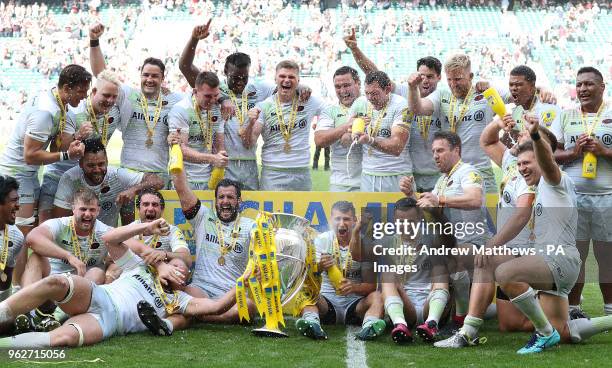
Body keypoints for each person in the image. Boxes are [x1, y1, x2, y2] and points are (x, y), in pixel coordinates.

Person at [0, 218, 235, 347]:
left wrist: (244, 282)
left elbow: (217, 307)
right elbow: (109, 238)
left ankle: (6, 345)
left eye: (182, 272)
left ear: (184, 281)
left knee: (64, 338)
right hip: (101, 296)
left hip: (110, 322)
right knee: (57, 282)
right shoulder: (140, 267)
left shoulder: (181, 301)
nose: (178, 271)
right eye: (174, 266)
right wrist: (145, 227)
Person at [401, 131, 489, 342]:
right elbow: (431, 210)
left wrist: (439, 200)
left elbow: (475, 199)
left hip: (474, 243)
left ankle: (460, 319)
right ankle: (432, 317)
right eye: (433, 152)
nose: (435, 156)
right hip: (452, 243)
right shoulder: (442, 180)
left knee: (451, 256)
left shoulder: (469, 172)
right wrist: (412, 195)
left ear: (456, 150)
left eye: (440, 150)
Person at [163, 150, 256, 327]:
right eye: (221, 197)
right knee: (180, 291)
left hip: (231, 294)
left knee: (249, 308)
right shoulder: (203, 217)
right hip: (201, 290)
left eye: (230, 197)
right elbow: (181, 188)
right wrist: (175, 148)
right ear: (215, 201)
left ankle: (197, 315)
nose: (225, 201)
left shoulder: (250, 226)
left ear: (239, 201)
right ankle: (209, 313)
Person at [178, 21, 275, 190]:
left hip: (249, 164)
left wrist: (303, 89)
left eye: (244, 77)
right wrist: (194, 39)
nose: (240, 82)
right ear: (225, 72)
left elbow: (285, 86)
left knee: (249, 213)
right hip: (224, 163)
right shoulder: (214, 87)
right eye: (235, 77)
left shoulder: (258, 88)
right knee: (223, 211)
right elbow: (185, 66)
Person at [344, 29, 442, 192]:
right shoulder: (405, 93)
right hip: (410, 170)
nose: (424, 80)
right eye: (421, 75)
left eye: (430, 76)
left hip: (436, 171)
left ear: (439, 77)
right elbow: (374, 74)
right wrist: (355, 49)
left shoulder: (444, 97)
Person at [89, 23, 183, 188]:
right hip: (129, 173)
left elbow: (202, 95)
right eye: (145, 75)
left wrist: (223, 100)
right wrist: (94, 41)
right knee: (128, 214)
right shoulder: (128, 95)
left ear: (163, 78)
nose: (149, 79)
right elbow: (101, 74)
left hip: (159, 174)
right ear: (140, 75)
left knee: (156, 214)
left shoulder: (175, 99)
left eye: (155, 76)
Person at [552, 67, 612, 319]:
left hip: (607, 196)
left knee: (606, 255)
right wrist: (573, 153)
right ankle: (574, 308)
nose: (582, 89)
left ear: (602, 87)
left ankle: (610, 308)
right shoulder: (565, 116)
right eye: (579, 85)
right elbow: (551, 155)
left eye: (588, 84)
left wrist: (605, 152)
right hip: (572, 197)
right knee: (575, 255)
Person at [0, 64, 90, 228]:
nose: (85, 96)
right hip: (17, 173)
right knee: (22, 233)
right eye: (81, 91)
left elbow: (55, 147)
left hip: (30, 175)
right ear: (67, 87)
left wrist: (76, 137)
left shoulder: (57, 102)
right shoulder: (45, 112)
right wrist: (67, 155)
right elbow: (30, 156)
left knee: (32, 230)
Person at [16, 187, 112, 332]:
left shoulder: (105, 231)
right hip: (47, 289)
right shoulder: (60, 224)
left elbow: (124, 251)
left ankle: (54, 319)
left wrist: (110, 273)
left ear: (98, 210)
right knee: (36, 257)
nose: (87, 214)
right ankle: (27, 313)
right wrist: (69, 256)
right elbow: (32, 238)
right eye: (83, 209)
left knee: (98, 272)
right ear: (73, 209)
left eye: (92, 210)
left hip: (76, 294)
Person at [407, 54, 503, 193]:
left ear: (470, 76)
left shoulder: (486, 92)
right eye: (449, 79)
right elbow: (417, 109)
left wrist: (542, 90)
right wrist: (411, 87)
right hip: (452, 174)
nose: (453, 84)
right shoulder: (442, 95)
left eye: (458, 79)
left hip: (481, 172)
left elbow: (518, 95)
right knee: (451, 214)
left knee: (488, 215)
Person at [38, 70, 123, 224]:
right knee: (48, 227)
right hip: (57, 175)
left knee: (85, 229)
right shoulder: (74, 110)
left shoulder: (114, 113)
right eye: (106, 95)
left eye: (114, 97)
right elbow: (58, 148)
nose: (110, 100)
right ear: (94, 92)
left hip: (86, 179)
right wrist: (78, 135)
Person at [296, 201, 385, 341]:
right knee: (305, 291)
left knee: (378, 296)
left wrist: (353, 287)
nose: (342, 223)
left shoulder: (366, 243)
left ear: (355, 220)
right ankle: (312, 322)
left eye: (346, 219)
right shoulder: (321, 240)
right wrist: (319, 266)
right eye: (338, 218)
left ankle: (370, 326)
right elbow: (307, 276)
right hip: (327, 303)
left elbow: (371, 285)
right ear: (331, 220)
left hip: (355, 306)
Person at [243, 60, 326, 191]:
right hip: (273, 174)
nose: (287, 80)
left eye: (291, 77)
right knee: (271, 212)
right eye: (282, 76)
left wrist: (323, 126)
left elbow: (331, 111)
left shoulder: (309, 101)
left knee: (302, 212)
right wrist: (250, 124)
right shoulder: (264, 106)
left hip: (301, 173)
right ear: (275, 79)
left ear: (298, 81)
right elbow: (249, 143)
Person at [53, 138, 164, 227]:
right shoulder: (70, 179)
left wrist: (134, 190)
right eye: (91, 165)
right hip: (78, 236)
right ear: (81, 163)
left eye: (101, 164)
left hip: (109, 238)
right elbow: (60, 220)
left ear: (107, 161)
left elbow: (158, 181)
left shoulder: (117, 174)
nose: (97, 170)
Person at [350, 71, 412, 192]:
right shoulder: (360, 103)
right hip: (368, 175)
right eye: (367, 93)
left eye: (375, 93)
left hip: (397, 175)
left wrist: (370, 140)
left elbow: (397, 147)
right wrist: (349, 131)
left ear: (388, 89)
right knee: (368, 212)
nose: (370, 98)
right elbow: (345, 140)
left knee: (400, 212)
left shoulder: (402, 105)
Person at [169, 71, 227, 190]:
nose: (212, 100)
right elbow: (181, 151)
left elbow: (219, 147)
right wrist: (213, 158)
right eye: (207, 96)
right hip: (185, 179)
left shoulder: (218, 108)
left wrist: (221, 157)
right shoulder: (181, 109)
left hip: (210, 179)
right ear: (195, 92)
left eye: (215, 96)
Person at [314, 66, 362, 192]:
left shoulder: (373, 106)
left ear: (358, 83)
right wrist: (347, 126)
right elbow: (319, 140)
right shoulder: (330, 110)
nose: (342, 90)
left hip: (370, 180)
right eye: (338, 87)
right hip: (341, 183)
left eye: (347, 85)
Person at [0, 176, 24, 306]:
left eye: (18, 200)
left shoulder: (16, 236)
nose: (18, 205)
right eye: (13, 200)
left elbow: (6, 276)